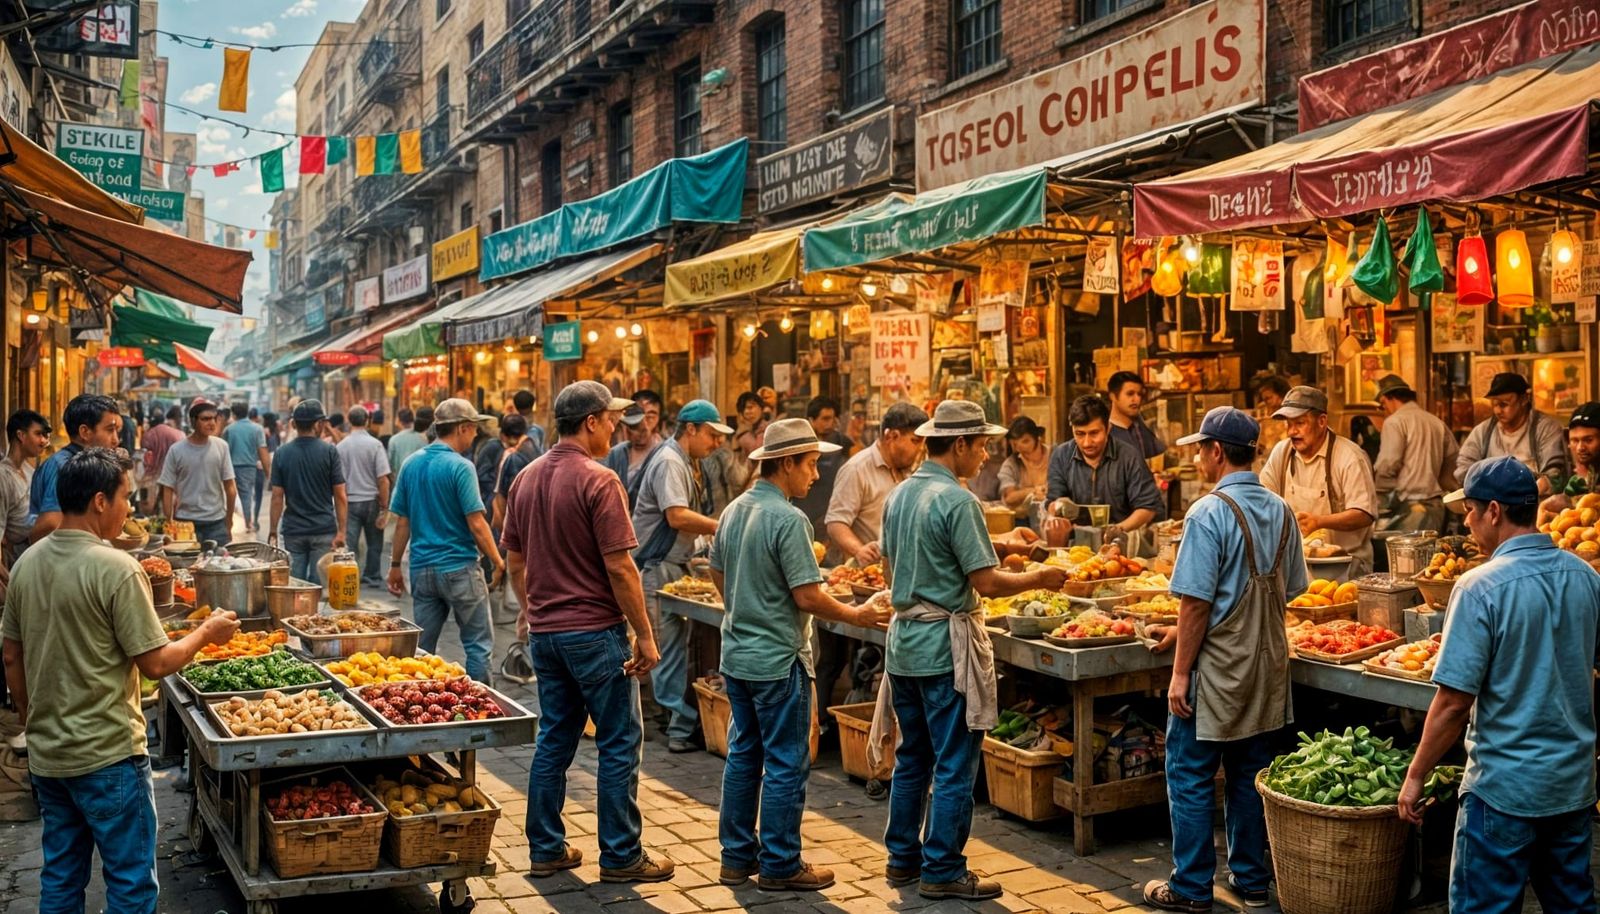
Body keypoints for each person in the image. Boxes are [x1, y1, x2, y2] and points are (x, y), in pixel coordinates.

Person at [2, 448, 239, 914]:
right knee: (130, 884)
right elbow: (156, 663)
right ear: (99, 501)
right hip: (108, 755)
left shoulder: (27, 563)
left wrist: (33, 719)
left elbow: (11, 654)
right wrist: (206, 633)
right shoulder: (116, 567)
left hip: (50, 757)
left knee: (60, 877)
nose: (129, 509)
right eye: (125, 498)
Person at [870, 400, 1067, 901]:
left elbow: (893, 572)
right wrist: (1039, 577)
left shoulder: (900, 495)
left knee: (913, 757)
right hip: (944, 652)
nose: (984, 456)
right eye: (980, 445)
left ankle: (902, 859)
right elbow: (987, 583)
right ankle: (942, 869)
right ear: (958, 444)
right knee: (955, 762)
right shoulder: (958, 501)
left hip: (905, 646)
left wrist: (1003, 549)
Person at [1399, 456, 1600, 913]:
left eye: (1469, 510)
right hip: (1570, 785)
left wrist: (1415, 776)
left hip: (1504, 790)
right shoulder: (1585, 576)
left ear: (1493, 511)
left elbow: (1453, 703)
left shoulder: (1478, 587)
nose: (1467, 522)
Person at [500, 381, 674, 885]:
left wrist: (530, 609)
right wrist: (645, 634)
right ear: (591, 422)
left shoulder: (526, 477)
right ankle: (621, 855)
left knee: (555, 738)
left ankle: (545, 848)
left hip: (547, 635)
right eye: (612, 419)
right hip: (595, 634)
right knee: (619, 741)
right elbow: (620, 567)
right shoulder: (600, 480)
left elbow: (516, 562)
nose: (616, 428)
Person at [709, 419, 890, 891]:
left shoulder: (735, 510)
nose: (815, 474)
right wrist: (858, 614)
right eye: (810, 464)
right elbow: (808, 596)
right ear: (786, 463)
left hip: (738, 655)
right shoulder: (789, 520)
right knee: (786, 762)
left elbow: (717, 572)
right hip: (777, 659)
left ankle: (735, 858)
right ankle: (780, 862)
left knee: (744, 755)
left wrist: (746, 608)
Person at [1141, 407, 1307, 913]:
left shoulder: (1207, 512)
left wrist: (1180, 672)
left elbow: (1196, 603)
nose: (1198, 458)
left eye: (1200, 449)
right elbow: (1289, 590)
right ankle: (1252, 882)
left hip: (1216, 671)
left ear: (1216, 452)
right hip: (1266, 665)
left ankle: (1191, 888)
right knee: (1249, 773)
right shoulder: (1282, 510)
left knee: (1189, 774)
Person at [632, 399, 732, 753]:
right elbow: (676, 516)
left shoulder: (688, 461)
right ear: (690, 429)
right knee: (666, 648)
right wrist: (721, 526)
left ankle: (674, 718)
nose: (716, 443)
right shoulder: (670, 461)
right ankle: (678, 728)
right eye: (711, 435)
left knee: (671, 646)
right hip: (656, 565)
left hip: (674, 563)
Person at [388, 399, 504, 683]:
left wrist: (395, 565)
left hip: (422, 570)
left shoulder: (411, 464)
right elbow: (477, 523)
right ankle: (480, 702)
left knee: (421, 651)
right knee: (478, 645)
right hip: (459, 567)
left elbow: (402, 522)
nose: (475, 434)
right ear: (462, 428)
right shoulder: (461, 466)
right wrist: (497, 561)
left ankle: (418, 699)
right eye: (473, 428)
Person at [1257, 386, 1379, 575]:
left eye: (1300, 423)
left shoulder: (1350, 457)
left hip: (1345, 567)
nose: (1291, 432)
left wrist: (1319, 521)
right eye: (1288, 424)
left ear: (1322, 421)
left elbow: (1363, 514)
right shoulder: (1282, 452)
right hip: (1296, 564)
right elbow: (1262, 499)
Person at [1043, 395, 1164, 546]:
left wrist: (1115, 530)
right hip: (1075, 547)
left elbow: (1147, 507)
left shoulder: (1129, 456)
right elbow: (1052, 501)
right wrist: (1056, 508)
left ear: (1108, 428)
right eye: (1080, 434)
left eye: (1094, 433)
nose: (1087, 443)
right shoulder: (1061, 455)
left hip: (1120, 543)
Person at [825, 402, 928, 566]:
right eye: (915, 441)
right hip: (867, 573)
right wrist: (860, 550)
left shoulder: (910, 470)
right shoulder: (856, 469)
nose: (920, 449)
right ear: (891, 436)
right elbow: (836, 523)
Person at [269, 400, 347, 583]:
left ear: (294, 424)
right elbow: (340, 495)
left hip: (293, 531)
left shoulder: (282, 453)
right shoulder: (329, 452)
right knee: (318, 585)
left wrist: (273, 530)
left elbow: (277, 497)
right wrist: (342, 531)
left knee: (295, 586)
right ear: (318, 424)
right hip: (323, 529)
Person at [1456, 372, 1568, 497]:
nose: (1498, 410)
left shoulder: (1546, 428)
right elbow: (1464, 467)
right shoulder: (1482, 432)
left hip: (1533, 501)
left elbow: (1554, 473)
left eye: (1504, 404)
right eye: (1494, 404)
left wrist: (1538, 486)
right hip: (1492, 501)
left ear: (1524, 399)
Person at [1371, 375, 1459, 533]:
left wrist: (1376, 489)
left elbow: (1389, 462)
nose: (1384, 410)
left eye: (1383, 404)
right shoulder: (1436, 422)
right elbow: (1452, 464)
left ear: (1388, 398)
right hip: (1436, 507)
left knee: (1403, 550)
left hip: (1411, 508)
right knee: (1430, 549)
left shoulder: (1395, 422)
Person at [30, 394, 122, 543]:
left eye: (117, 431)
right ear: (85, 432)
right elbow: (49, 524)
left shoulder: (86, 465)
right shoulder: (65, 466)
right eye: (110, 430)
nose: (116, 440)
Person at [158, 401, 237, 547]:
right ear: (193, 422)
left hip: (216, 523)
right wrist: (168, 523)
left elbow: (230, 488)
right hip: (184, 522)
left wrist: (229, 520)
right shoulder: (176, 450)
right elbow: (167, 488)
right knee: (186, 561)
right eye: (205, 419)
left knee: (219, 560)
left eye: (214, 418)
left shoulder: (222, 447)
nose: (211, 423)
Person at [336, 406, 391, 587]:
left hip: (350, 501)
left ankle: (350, 575)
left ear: (349, 421)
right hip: (372, 501)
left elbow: (338, 481)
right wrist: (384, 506)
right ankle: (372, 575)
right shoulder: (375, 445)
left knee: (350, 543)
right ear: (367, 421)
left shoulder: (341, 446)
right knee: (374, 542)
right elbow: (383, 479)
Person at [791, 396, 856, 545]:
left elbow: (859, 461)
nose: (829, 424)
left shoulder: (841, 441)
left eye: (832, 419)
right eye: (825, 419)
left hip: (829, 512)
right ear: (811, 420)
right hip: (803, 507)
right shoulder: (800, 444)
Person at [1540, 402, 1600, 521]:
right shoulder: (1566, 477)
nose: (1580, 447)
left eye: (1588, 440)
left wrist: (1571, 503)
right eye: (1575, 440)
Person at [1, 409, 46, 568]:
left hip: (34, 552)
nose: (43, 441)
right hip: (15, 557)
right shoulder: (3, 475)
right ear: (21, 435)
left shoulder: (29, 470)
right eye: (38, 434)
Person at [221, 402, 269, 534]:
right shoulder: (257, 428)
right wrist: (268, 472)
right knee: (246, 495)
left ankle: (229, 521)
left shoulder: (229, 430)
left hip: (230, 467)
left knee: (229, 494)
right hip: (249, 467)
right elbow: (262, 450)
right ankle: (248, 523)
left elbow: (224, 450)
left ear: (233, 414)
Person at [491, 413, 542, 530]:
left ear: (503, 436)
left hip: (517, 524)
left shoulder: (512, 457)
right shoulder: (536, 450)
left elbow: (506, 496)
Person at [997, 417, 1049, 527]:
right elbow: (1009, 497)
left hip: (1053, 516)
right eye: (1015, 444)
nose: (1020, 447)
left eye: (1025, 441)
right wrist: (1033, 491)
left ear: (1037, 438)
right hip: (1022, 521)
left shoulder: (1055, 455)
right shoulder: (1011, 464)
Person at [1106, 371, 1165, 461]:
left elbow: (1159, 453)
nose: (1137, 399)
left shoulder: (1141, 427)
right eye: (1130, 394)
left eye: (1139, 394)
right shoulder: (1106, 433)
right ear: (1113, 397)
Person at [602, 405, 659, 490]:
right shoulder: (616, 453)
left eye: (642, 428)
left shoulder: (660, 451)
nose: (641, 432)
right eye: (634, 427)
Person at [139, 410, 183, 514]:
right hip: (172, 475)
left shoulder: (148, 435)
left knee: (147, 510)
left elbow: (145, 458)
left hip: (152, 476)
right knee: (170, 509)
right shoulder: (178, 434)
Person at [388, 406, 432, 481]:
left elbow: (390, 466)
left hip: (400, 481)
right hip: (419, 481)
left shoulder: (394, 440)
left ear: (398, 420)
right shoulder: (423, 439)